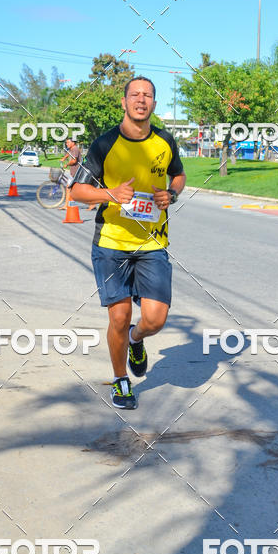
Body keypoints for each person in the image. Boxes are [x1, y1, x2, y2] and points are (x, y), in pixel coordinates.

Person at [70, 76, 186, 410]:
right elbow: (77, 191)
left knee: (155, 319)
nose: (140, 99)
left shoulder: (165, 141)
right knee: (118, 317)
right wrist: (111, 194)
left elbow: (178, 173)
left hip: (152, 244)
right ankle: (121, 381)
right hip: (111, 243)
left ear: (153, 103)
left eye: (147, 95)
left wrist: (172, 193)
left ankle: (137, 339)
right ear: (123, 102)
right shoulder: (104, 144)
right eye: (134, 94)